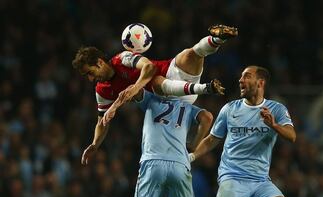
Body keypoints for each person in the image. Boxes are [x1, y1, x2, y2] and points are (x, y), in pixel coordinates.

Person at [72, 24, 237, 158]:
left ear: (100, 63)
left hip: (172, 73)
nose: (90, 79)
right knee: (156, 83)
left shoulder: (122, 59)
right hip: (165, 94)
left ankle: (217, 38)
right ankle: (205, 89)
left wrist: (136, 86)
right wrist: (95, 144)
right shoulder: (102, 91)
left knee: (190, 54)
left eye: (90, 73)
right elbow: (102, 121)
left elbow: (149, 67)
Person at [83, 87, 213, 197]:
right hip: (179, 163)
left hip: (152, 162)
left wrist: (115, 103)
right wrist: (193, 145)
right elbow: (208, 118)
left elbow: (134, 90)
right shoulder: (187, 106)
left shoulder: (152, 99)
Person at [190, 65, 296, 197]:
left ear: (260, 83)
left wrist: (274, 125)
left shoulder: (276, 109)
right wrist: (191, 156)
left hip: (260, 180)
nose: (240, 80)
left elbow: (292, 136)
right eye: (241, 76)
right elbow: (212, 139)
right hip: (232, 177)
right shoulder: (229, 108)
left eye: (247, 76)